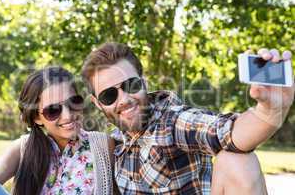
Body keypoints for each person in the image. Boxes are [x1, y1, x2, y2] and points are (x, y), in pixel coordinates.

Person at [81, 42, 294, 194]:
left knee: (238, 159)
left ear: (144, 83)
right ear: (97, 103)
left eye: (131, 85)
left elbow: (229, 132)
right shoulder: (115, 143)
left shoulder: (171, 122)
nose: (124, 99)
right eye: (109, 95)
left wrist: (270, 110)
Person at [0, 66, 117, 195]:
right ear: (37, 117)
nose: (68, 115)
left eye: (73, 102)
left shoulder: (104, 145)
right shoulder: (22, 149)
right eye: (53, 110)